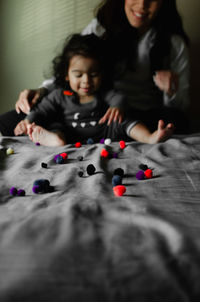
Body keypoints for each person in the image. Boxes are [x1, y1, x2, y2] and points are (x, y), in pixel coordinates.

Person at [0, 0, 190, 136]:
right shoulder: (102, 27)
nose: (142, 5)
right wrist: (41, 91)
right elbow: (73, 65)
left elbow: (181, 106)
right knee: (10, 121)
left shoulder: (174, 44)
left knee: (175, 122)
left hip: (137, 114)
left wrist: (170, 91)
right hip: (94, 107)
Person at [14, 33, 173, 146]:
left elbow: (119, 97)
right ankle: (55, 140)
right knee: (56, 125)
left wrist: (116, 107)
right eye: (78, 75)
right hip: (70, 134)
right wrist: (27, 121)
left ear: (103, 73)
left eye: (94, 74)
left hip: (106, 132)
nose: (86, 81)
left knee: (123, 120)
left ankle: (149, 137)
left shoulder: (103, 92)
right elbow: (41, 111)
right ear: (66, 75)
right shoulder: (59, 95)